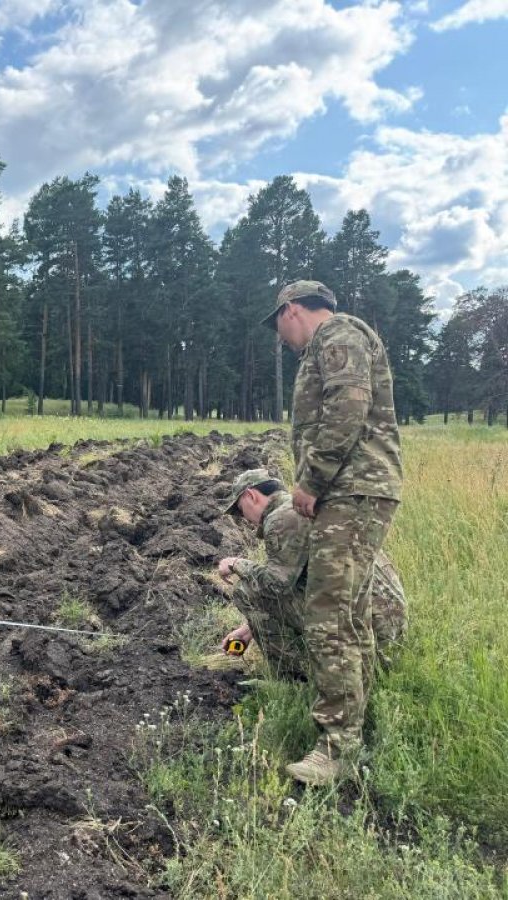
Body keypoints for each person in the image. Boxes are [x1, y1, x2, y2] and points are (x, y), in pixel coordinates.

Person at [262, 280, 402, 786]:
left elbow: (347, 407)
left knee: (328, 616)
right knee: (350, 611)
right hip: (350, 491)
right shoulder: (330, 343)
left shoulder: (339, 336)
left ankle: (337, 747)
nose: (281, 337)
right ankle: (358, 722)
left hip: (349, 491)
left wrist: (311, 480)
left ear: (291, 310)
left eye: (278, 324)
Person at [217, 469, 406, 681]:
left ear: (250, 495)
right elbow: (302, 581)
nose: (244, 519)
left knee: (246, 590)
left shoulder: (282, 518)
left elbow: (275, 586)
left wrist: (235, 563)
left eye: (241, 511)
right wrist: (249, 629)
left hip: (365, 636)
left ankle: (295, 678)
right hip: (388, 628)